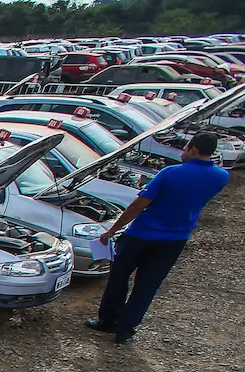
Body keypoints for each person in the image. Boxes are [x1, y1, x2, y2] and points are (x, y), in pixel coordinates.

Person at [86, 132, 230, 344]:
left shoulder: (170, 173)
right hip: (175, 239)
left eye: (186, 147)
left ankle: (108, 320)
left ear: (194, 149)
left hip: (141, 234)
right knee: (147, 285)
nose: (182, 152)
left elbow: (139, 204)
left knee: (119, 276)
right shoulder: (221, 176)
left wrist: (112, 230)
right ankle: (126, 328)